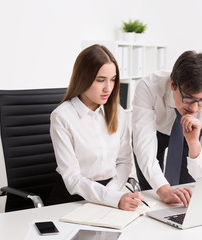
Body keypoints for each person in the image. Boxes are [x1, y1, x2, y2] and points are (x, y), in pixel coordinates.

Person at [50, 44, 145, 211]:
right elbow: (72, 178)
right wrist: (110, 198)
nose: (108, 88)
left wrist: (111, 195)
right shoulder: (62, 117)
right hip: (72, 199)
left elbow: (124, 162)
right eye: (100, 80)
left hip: (111, 192)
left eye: (113, 79)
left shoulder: (119, 113)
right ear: (83, 78)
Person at [132, 50, 202, 207]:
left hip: (190, 134)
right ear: (173, 84)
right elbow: (144, 149)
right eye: (189, 98)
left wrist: (194, 145)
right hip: (155, 132)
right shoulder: (148, 87)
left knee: (185, 194)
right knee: (150, 193)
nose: (194, 108)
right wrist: (163, 190)